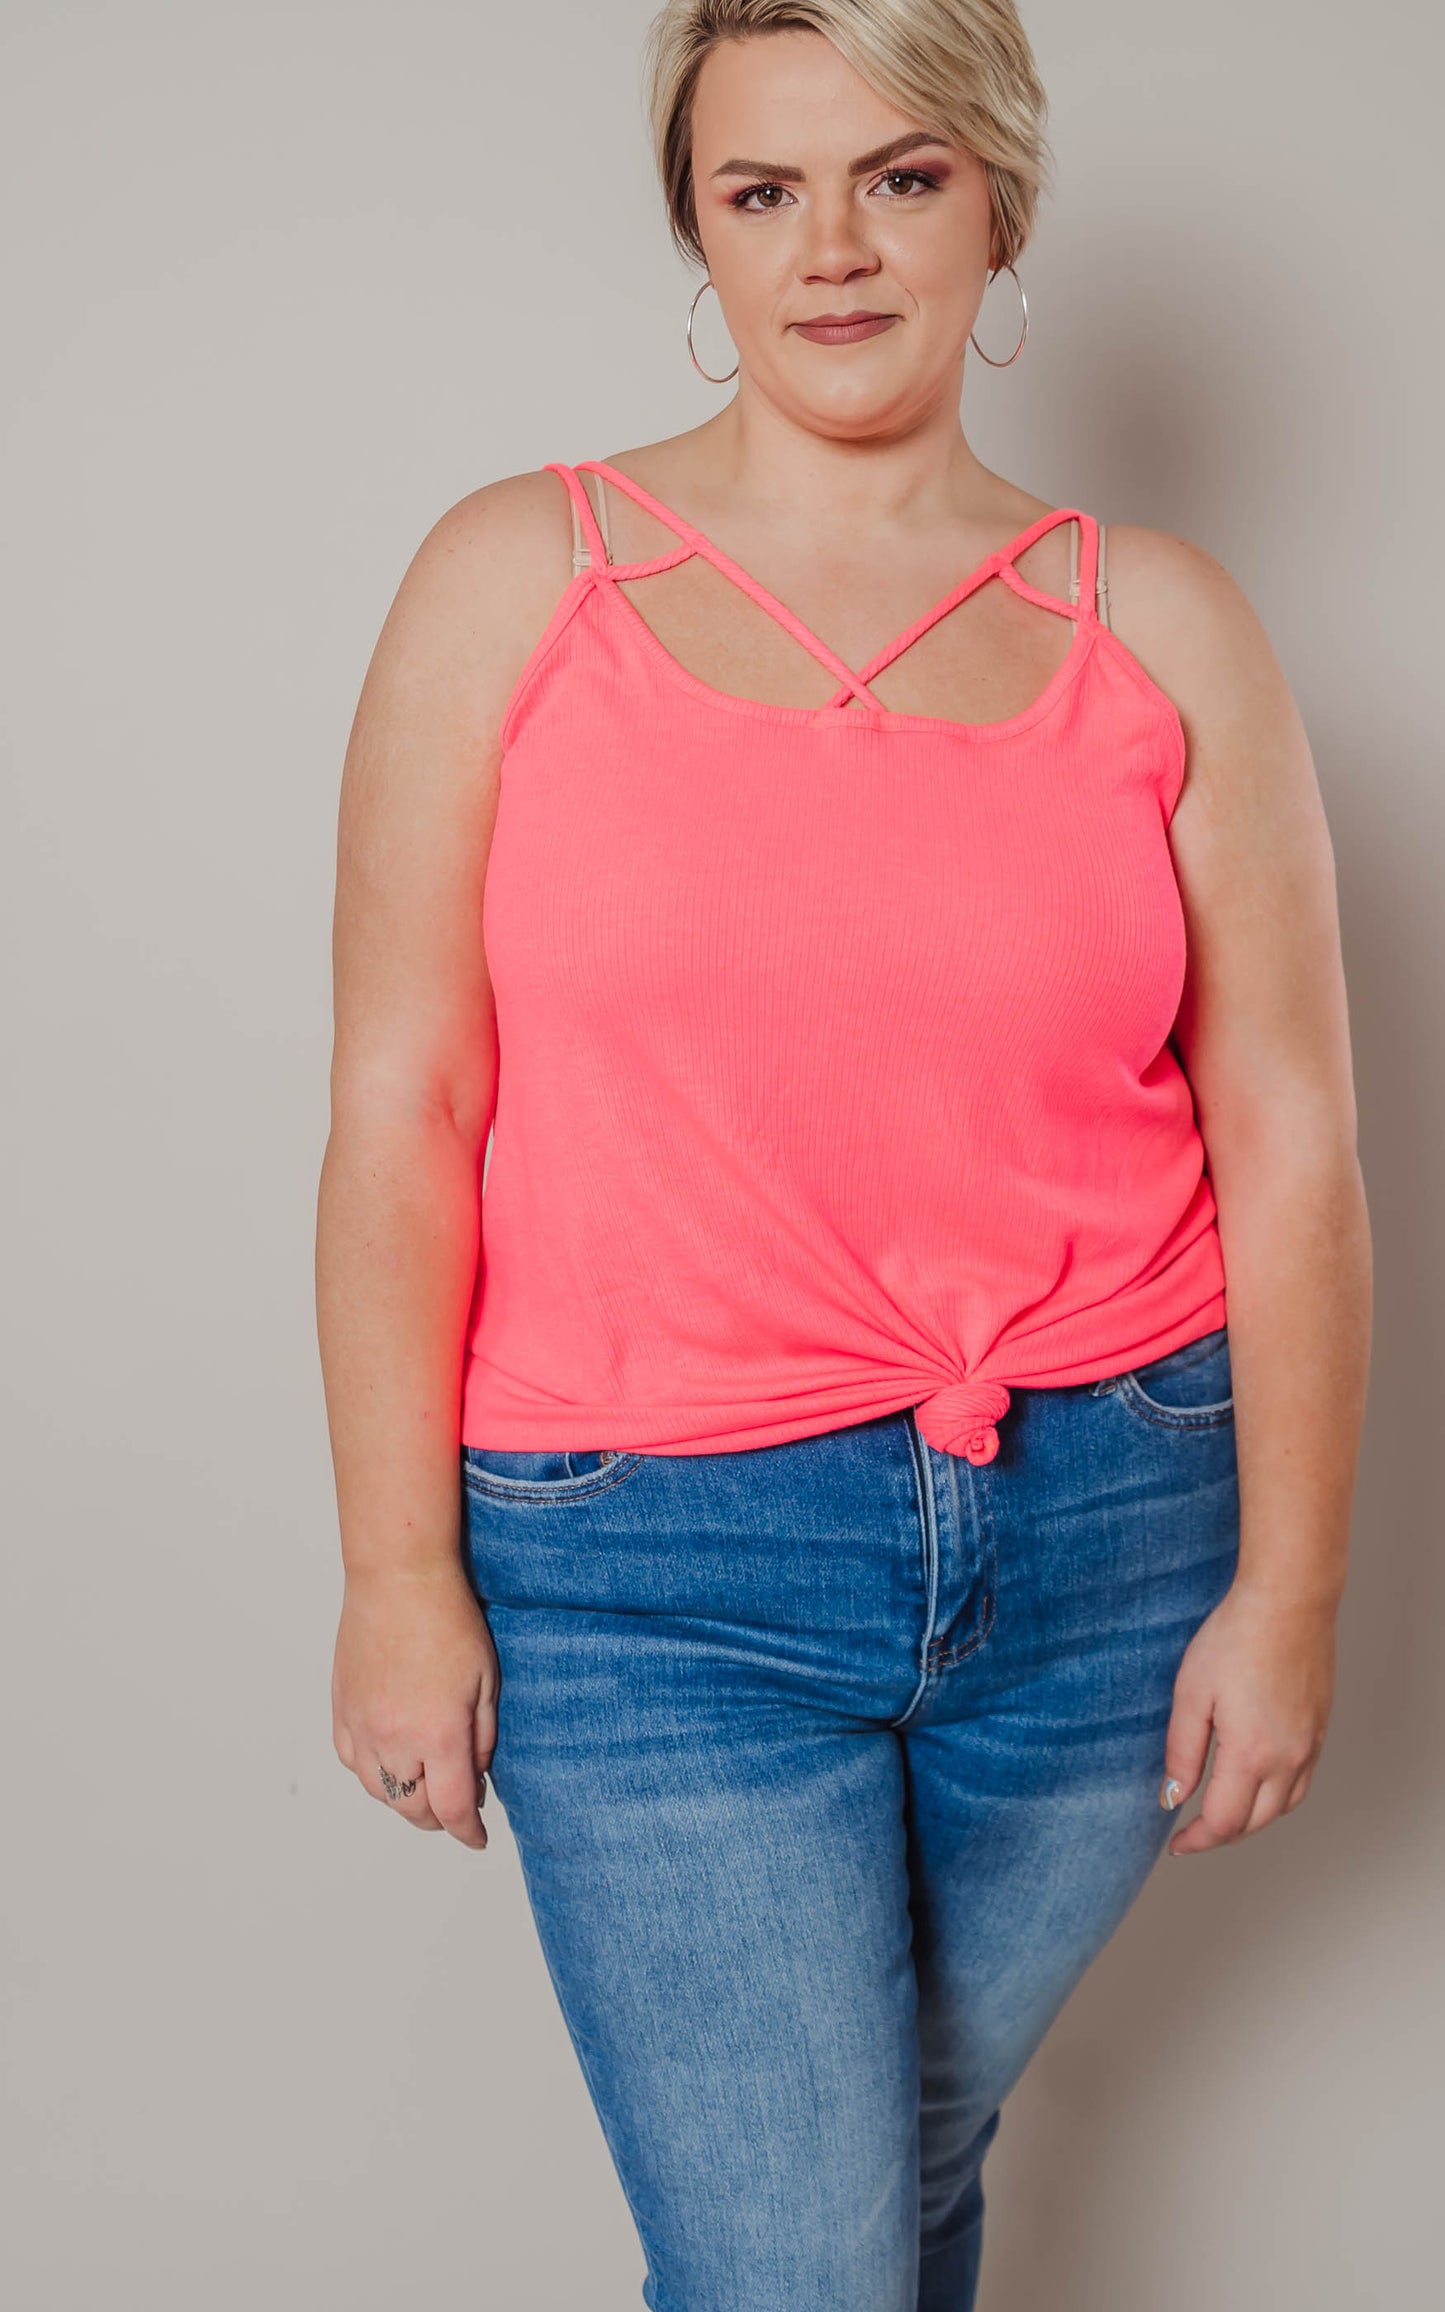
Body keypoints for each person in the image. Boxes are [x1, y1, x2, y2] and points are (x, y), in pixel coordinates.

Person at [316, 2, 1372, 2304]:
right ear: (693, 225)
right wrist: (398, 1574)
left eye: (898, 178)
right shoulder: (519, 582)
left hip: (1110, 1537)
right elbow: (407, 1102)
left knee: (877, 2184)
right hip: (649, 1565)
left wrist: (1286, 1592)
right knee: (800, 2260)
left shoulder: (1160, 623)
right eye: (760, 191)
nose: (833, 251)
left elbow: (1289, 1127)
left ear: (1000, 196)